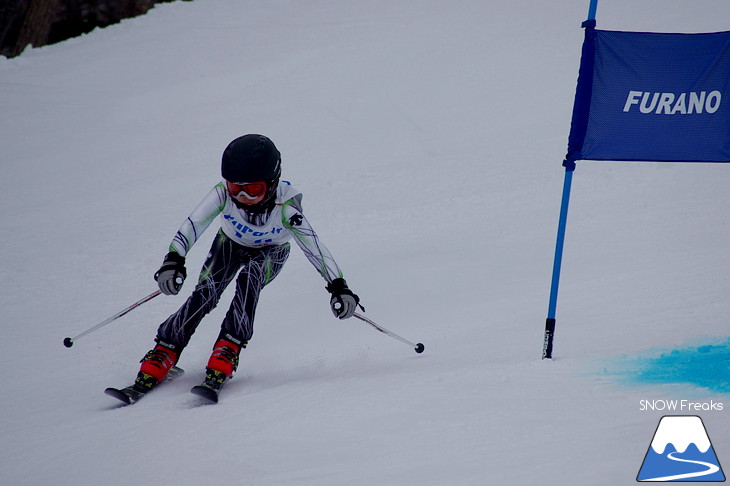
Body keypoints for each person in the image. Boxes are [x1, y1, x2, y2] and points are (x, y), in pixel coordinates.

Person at [132, 134, 361, 395]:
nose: (242, 197)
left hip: (271, 253)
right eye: (235, 188)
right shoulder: (221, 195)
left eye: (253, 190)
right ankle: (165, 349)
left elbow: (315, 249)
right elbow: (194, 224)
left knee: (249, 278)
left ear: (272, 183)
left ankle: (228, 347)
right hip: (229, 244)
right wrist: (174, 259)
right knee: (206, 291)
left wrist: (338, 286)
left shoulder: (286, 208)